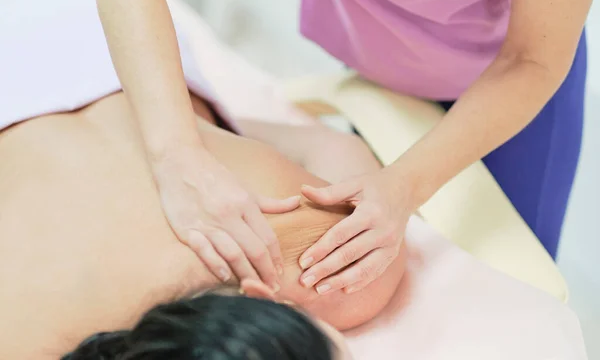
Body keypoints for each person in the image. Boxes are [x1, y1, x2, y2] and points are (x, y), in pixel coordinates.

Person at [94, 0, 598, 299]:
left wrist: (404, 185)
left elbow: (532, 60)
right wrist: (176, 155)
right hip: (378, 58)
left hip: (511, 79)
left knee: (510, 284)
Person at [0, 89, 404, 359]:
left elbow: (334, 144)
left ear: (263, 298)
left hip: (109, 58)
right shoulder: (23, 337)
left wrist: (214, 135)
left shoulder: (347, 265)